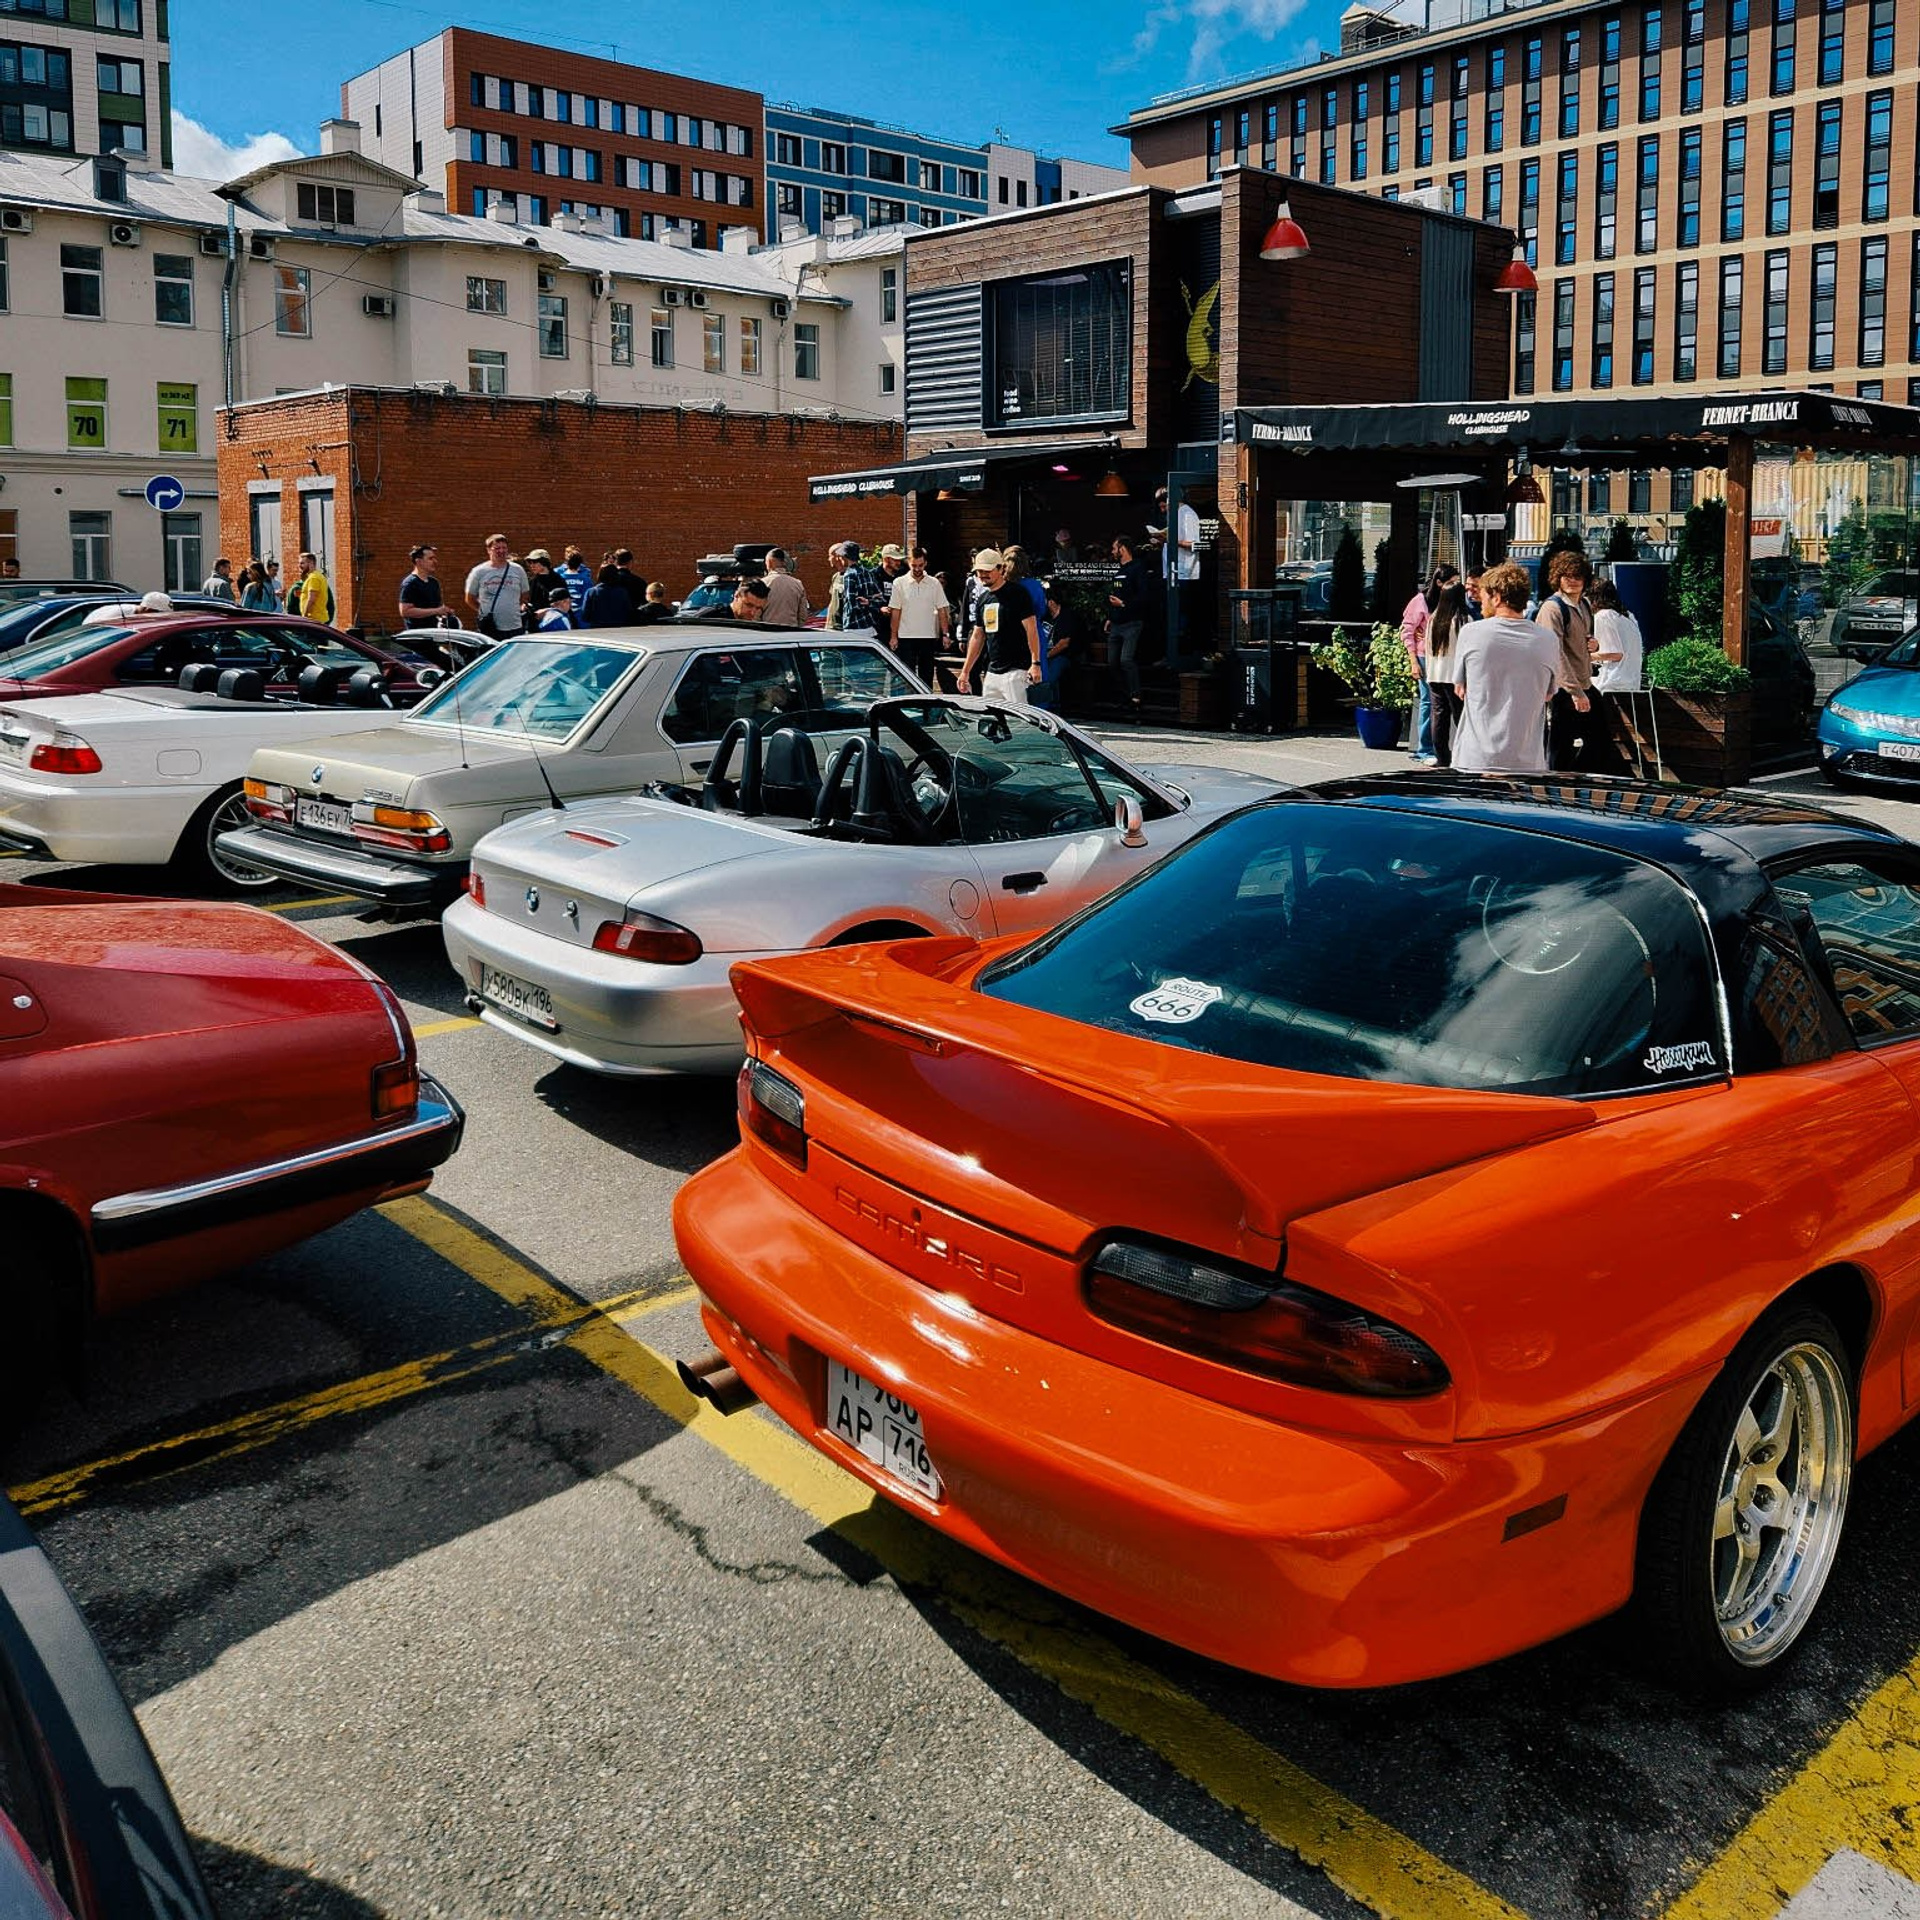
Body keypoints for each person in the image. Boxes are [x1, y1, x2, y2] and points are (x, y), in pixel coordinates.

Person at [1449, 561, 1558, 776]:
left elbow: (1460, 688)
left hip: (1474, 760)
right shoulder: (1548, 639)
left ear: (1497, 597)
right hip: (1527, 764)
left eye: (1484, 596)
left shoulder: (1471, 633)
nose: (1480, 602)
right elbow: (1548, 694)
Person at [1537, 551, 1606, 771]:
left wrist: (1592, 643)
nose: (1573, 581)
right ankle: (1556, 788)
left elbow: (1580, 637)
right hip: (1563, 688)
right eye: (1567, 576)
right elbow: (1554, 652)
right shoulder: (1552, 608)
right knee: (1561, 745)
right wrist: (1576, 692)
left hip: (1584, 683)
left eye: (1578, 576)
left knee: (1598, 739)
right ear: (1557, 578)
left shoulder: (1584, 605)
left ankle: (1574, 780)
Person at [959, 549, 1042, 706]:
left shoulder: (1018, 593)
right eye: (979, 571)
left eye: (987, 570)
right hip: (992, 670)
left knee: (1019, 722)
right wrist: (965, 671)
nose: (983, 574)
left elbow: (1031, 629)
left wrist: (1035, 663)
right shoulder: (983, 599)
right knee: (992, 720)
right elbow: (977, 636)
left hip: (1016, 670)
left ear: (1001, 568)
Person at [1401, 564, 1460, 767]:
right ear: (1439, 583)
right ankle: (1424, 749)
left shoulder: (1454, 602)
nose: (1455, 586)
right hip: (1426, 656)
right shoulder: (1421, 602)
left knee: (1440, 706)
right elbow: (1407, 631)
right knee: (1429, 703)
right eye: (1451, 582)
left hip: (1443, 656)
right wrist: (1413, 661)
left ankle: (1438, 748)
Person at [1591, 578, 1645, 770]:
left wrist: (1585, 657)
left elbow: (1614, 653)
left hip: (1615, 680)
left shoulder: (1603, 616)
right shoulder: (1628, 615)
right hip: (1632, 679)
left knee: (1570, 687)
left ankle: (1586, 748)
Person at [886, 544, 950, 687]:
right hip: (905, 638)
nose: (917, 569)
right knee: (907, 677)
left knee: (926, 677)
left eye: (920, 565)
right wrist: (893, 636)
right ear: (909, 563)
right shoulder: (899, 583)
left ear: (925, 563)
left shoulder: (935, 583)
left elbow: (942, 610)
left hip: (928, 637)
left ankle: (926, 708)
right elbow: (896, 611)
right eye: (914, 565)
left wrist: (946, 634)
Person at [1154, 483, 1202, 667]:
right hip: (1172, 572)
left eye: (1163, 504)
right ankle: (1171, 655)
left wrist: (1169, 539)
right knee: (1170, 615)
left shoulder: (1188, 514)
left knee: (1180, 616)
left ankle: (1180, 656)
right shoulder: (1173, 516)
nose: (1162, 509)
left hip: (1183, 572)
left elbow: (1194, 543)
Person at [1426, 579, 1470, 768]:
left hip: (1435, 674)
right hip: (1456, 677)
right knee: (1460, 717)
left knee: (1438, 717)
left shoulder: (1434, 619)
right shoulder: (1463, 621)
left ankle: (1442, 757)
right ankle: (1463, 755)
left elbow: (1428, 648)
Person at [1106, 532, 1150, 709]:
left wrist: (1124, 604)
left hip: (1132, 622)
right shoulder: (1118, 570)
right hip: (1116, 624)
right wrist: (1110, 617)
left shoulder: (1137, 568)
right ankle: (1123, 696)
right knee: (1112, 662)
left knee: (1126, 660)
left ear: (1122, 548)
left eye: (1114, 548)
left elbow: (1144, 596)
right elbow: (1115, 594)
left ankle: (1136, 696)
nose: (1112, 551)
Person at [466, 534, 531, 638]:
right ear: (488, 550)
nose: (501, 551)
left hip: (514, 626)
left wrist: (512, 608)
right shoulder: (479, 571)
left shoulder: (518, 570)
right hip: (490, 627)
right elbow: (470, 598)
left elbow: (524, 594)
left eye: (504, 548)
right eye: (497, 548)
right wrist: (484, 611)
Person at [1039, 579, 1083, 709]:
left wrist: (1046, 656)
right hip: (1046, 654)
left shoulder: (1067, 616)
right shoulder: (1045, 617)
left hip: (1064, 655)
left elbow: (1064, 643)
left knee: (1051, 676)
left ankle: (1052, 708)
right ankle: (1050, 707)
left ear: (1051, 602)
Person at [837, 541, 887, 636]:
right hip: (869, 626)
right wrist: (869, 602)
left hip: (853, 626)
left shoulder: (849, 575)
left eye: (840, 556)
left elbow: (851, 604)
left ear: (845, 557)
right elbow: (881, 599)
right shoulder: (867, 572)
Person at [398, 544, 447, 628]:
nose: (435, 561)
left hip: (434, 633)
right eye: (430, 558)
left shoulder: (434, 582)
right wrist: (436, 611)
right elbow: (405, 611)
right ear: (418, 561)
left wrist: (444, 612)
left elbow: (437, 607)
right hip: (418, 635)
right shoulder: (410, 583)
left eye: (434, 558)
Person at [760, 548, 809, 627]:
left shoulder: (763, 583)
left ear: (769, 562)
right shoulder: (798, 584)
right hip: (791, 633)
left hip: (767, 632)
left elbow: (756, 613)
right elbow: (802, 615)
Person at [293, 551, 334, 624]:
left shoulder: (313, 578)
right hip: (317, 618)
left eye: (302, 563)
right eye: (299, 563)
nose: (300, 566)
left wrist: (304, 617)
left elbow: (311, 599)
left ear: (311, 563)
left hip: (313, 619)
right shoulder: (317, 576)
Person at [556, 544, 594, 615]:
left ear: (567, 562)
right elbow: (590, 599)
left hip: (564, 615)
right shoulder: (586, 579)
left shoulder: (559, 578)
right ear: (580, 563)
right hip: (581, 615)